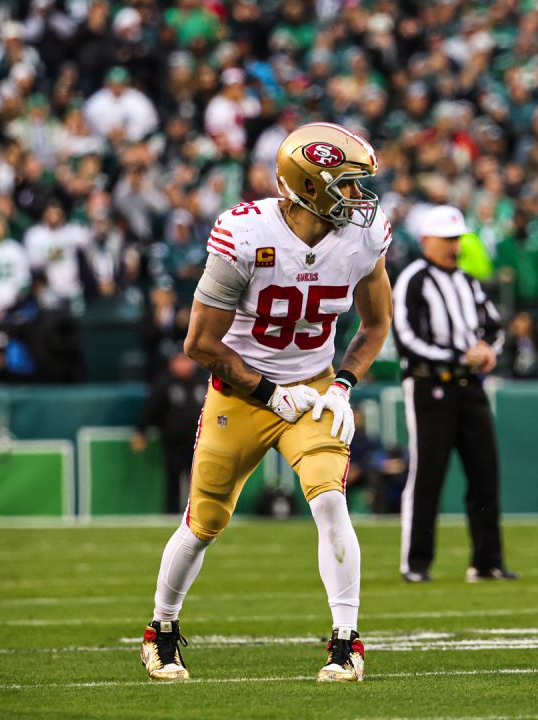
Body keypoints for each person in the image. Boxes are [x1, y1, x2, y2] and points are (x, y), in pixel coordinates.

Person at [141, 123, 393, 684]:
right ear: (310, 188)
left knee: (331, 502)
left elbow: (376, 324)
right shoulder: (245, 234)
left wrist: (345, 383)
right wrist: (268, 393)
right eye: (347, 186)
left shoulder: (363, 236)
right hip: (242, 393)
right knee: (203, 522)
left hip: (314, 388)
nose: (360, 198)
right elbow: (199, 344)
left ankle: (346, 643)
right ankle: (161, 629)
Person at [391, 204, 515, 585]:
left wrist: (488, 350)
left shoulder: (468, 282)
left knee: (485, 474)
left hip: (470, 386)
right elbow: (407, 338)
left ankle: (487, 561)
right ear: (427, 240)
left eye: (457, 239)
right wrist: (461, 354)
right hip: (431, 385)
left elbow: (494, 325)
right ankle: (416, 563)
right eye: (447, 239)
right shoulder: (413, 279)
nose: (454, 247)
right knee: (428, 474)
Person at [132, 353, 208, 514]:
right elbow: (151, 409)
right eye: (180, 360)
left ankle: (198, 515)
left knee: (198, 480)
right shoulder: (164, 382)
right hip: (174, 442)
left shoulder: (202, 380)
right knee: (174, 478)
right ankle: (171, 514)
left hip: (200, 441)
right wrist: (141, 432)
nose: (185, 364)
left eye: (188, 360)